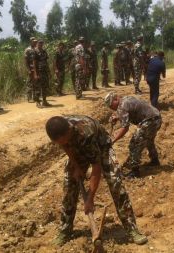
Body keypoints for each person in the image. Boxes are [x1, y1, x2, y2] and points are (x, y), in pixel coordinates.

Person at [45, 116, 148, 246]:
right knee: (69, 184)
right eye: (59, 142)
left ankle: (131, 229)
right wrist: (76, 166)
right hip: (78, 149)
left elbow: (96, 166)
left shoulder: (86, 133)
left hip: (102, 147)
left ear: (69, 132)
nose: (62, 143)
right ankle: (65, 230)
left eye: (64, 140)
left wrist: (90, 198)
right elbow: (66, 146)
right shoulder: (58, 129)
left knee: (116, 183)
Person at [104, 92, 162, 178]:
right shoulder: (126, 99)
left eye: (111, 105)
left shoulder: (122, 106)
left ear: (115, 99)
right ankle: (155, 160)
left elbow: (125, 128)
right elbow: (130, 111)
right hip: (156, 117)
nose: (111, 108)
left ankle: (135, 171)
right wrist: (118, 117)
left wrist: (113, 140)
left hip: (150, 121)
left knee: (134, 144)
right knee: (148, 140)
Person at [34, 40, 52, 108]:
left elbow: (46, 62)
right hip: (39, 71)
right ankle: (38, 102)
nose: (40, 44)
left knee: (45, 87)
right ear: (37, 44)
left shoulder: (44, 51)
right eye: (39, 43)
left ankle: (44, 101)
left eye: (42, 43)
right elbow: (34, 62)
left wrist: (49, 72)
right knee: (38, 87)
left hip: (45, 71)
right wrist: (35, 73)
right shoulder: (35, 52)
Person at [24, 37, 37, 102]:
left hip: (36, 69)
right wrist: (28, 69)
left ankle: (34, 97)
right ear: (31, 42)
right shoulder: (27, 50)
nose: (35, 42)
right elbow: (26, 61)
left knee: (35, 83)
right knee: (30, 82)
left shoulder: (36, 49)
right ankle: (29, 98)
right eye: (33, 41)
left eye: (35, 41)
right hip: (31, 68)